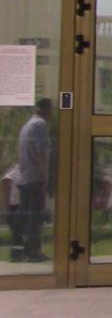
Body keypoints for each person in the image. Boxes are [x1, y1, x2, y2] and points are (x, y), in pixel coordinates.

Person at [17, 98, 52, 263]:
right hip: (35, 177)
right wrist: (45, 177)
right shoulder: (40, 125)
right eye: (50, 110)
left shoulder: (27, 126)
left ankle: (27, 251)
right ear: (45, 109)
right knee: (36, 218)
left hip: (25, 177)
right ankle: (34, 252)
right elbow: (41, 153)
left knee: (29, 217)